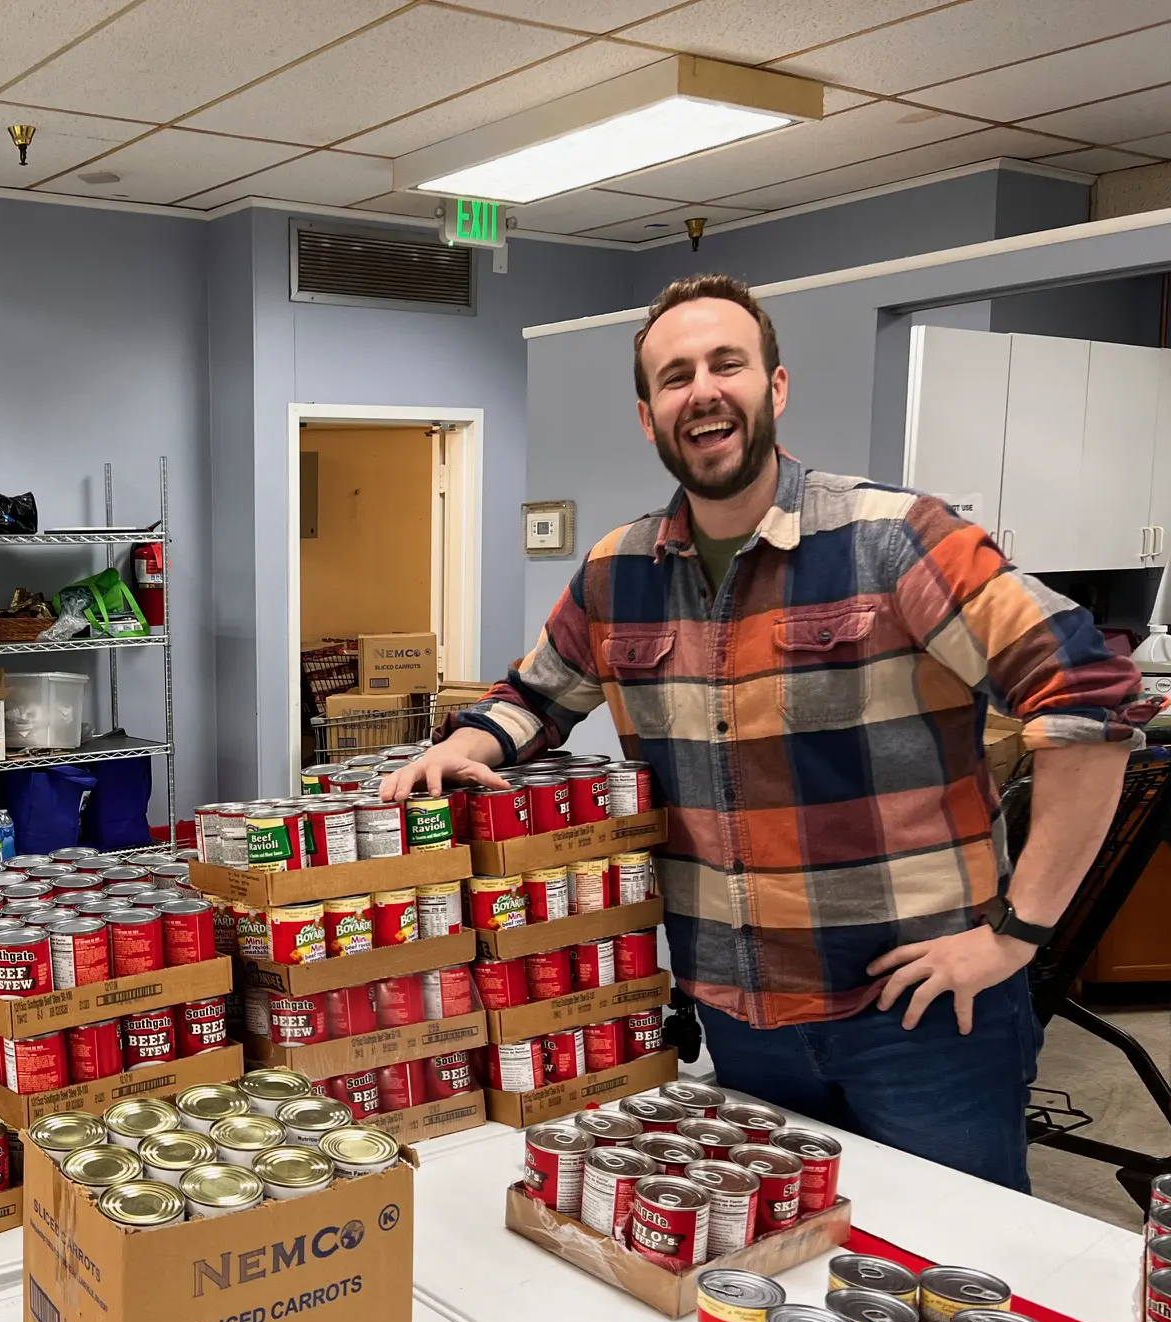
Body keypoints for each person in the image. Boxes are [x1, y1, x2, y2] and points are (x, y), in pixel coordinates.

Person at [383, 274, 1149, 1190]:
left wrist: (1018, 935)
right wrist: (466, 745)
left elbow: (1092, 704)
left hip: (919, 1017)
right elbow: (536, 696)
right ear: (648, 416)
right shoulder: (617, 572)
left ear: (773, 389)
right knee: (782, 1277)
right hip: (742, 1021)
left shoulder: (894, 539)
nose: (702, 390)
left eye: (726, 364)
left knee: (957, 1282)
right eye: (675, 377)